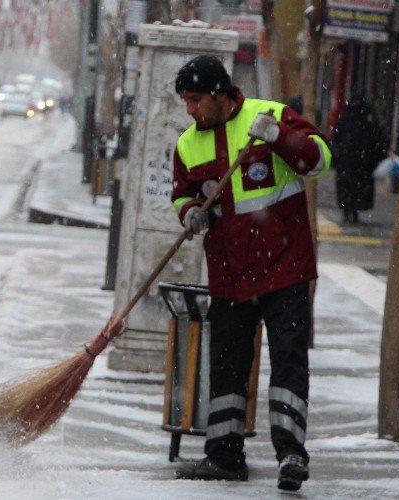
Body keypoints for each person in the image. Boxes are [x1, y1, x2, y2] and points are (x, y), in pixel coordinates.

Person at [170, 55, 331, 492]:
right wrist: (188, 213)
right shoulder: (188, 145)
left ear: (221, 95)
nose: (191, 110)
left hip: (285, 268)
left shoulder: (272, 115)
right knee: (226, 368)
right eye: (186, 101)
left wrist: (279, 138)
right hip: (230, 274)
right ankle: (223, 457)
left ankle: (292, 455)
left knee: (289, 363)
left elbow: (318, 161)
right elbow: (180, 192)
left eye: (196, 100)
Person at [330, 96, 388, 223]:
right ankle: (354, 211)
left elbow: (336, 140)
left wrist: (336, 159)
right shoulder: (368, 118)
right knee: (358, 189)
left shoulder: (346, 118)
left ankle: (347, 211)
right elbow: (379, 141)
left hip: (347, 164)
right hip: (363, 165)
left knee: (347, 189)